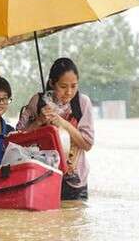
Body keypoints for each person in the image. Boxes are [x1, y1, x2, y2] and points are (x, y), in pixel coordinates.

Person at [17, 58, 94, 200]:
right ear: (52, 83)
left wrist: (63, 123)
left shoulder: (82, 103)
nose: (69, 92)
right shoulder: (38, 102)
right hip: (42, 177)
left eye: (74, 86)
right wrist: (39, 121)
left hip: (74, 182)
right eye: (63, 86)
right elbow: (18, 141)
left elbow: (87, 144)